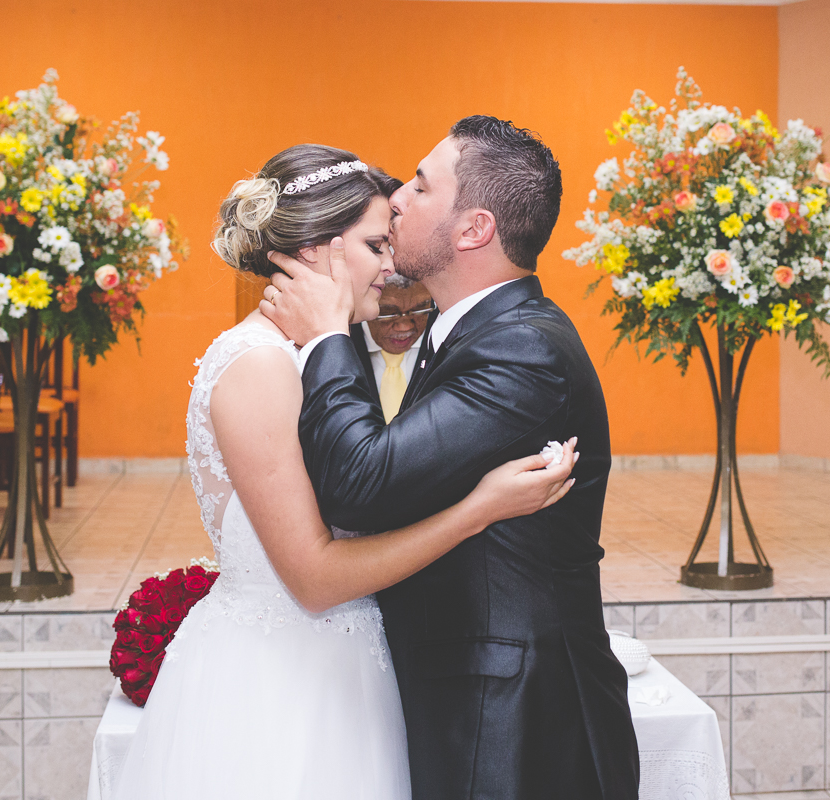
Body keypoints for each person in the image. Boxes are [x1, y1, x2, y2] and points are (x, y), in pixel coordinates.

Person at [111, 143, 578, 800]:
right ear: (314, 254)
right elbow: (315, 580)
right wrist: (479, 509)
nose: (391, 270)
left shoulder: (321, 357)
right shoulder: (258, 366)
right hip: (281, 689)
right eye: (374, 246)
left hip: (349, 669)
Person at [262, 118, 640, 800]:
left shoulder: (523, 348)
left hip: (514, 719)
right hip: (472, 691)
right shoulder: (468, 334)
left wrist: (326, 336)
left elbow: (363, 486)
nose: (397, 197)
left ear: (474, 229)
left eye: (421, 184)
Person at [350, 274, 434, 422]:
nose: (405, 326)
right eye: (388, 312)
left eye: (419, 309)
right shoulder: (339, 341)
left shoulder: (449, 342)